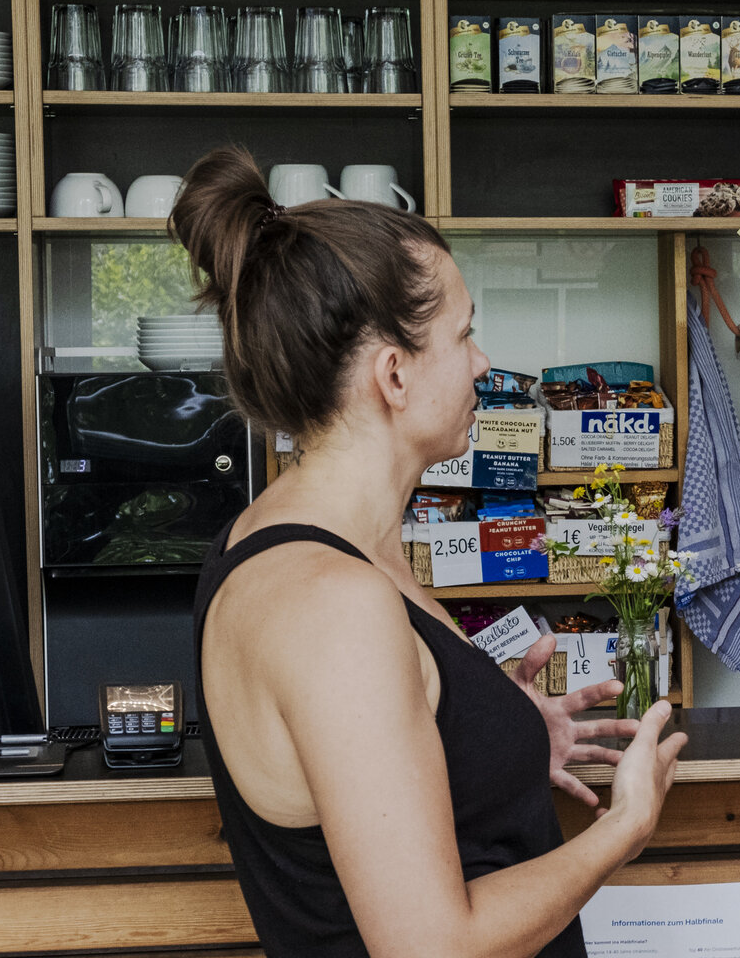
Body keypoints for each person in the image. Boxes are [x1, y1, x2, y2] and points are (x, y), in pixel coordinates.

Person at [174, 145, 686, 957]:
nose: (484, 364)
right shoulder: (329, 600)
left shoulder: (344, 544)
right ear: (394, 376)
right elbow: (430, 947)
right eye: (464, 334)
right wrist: (623, 829)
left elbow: (393, 755)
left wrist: (506, 734)